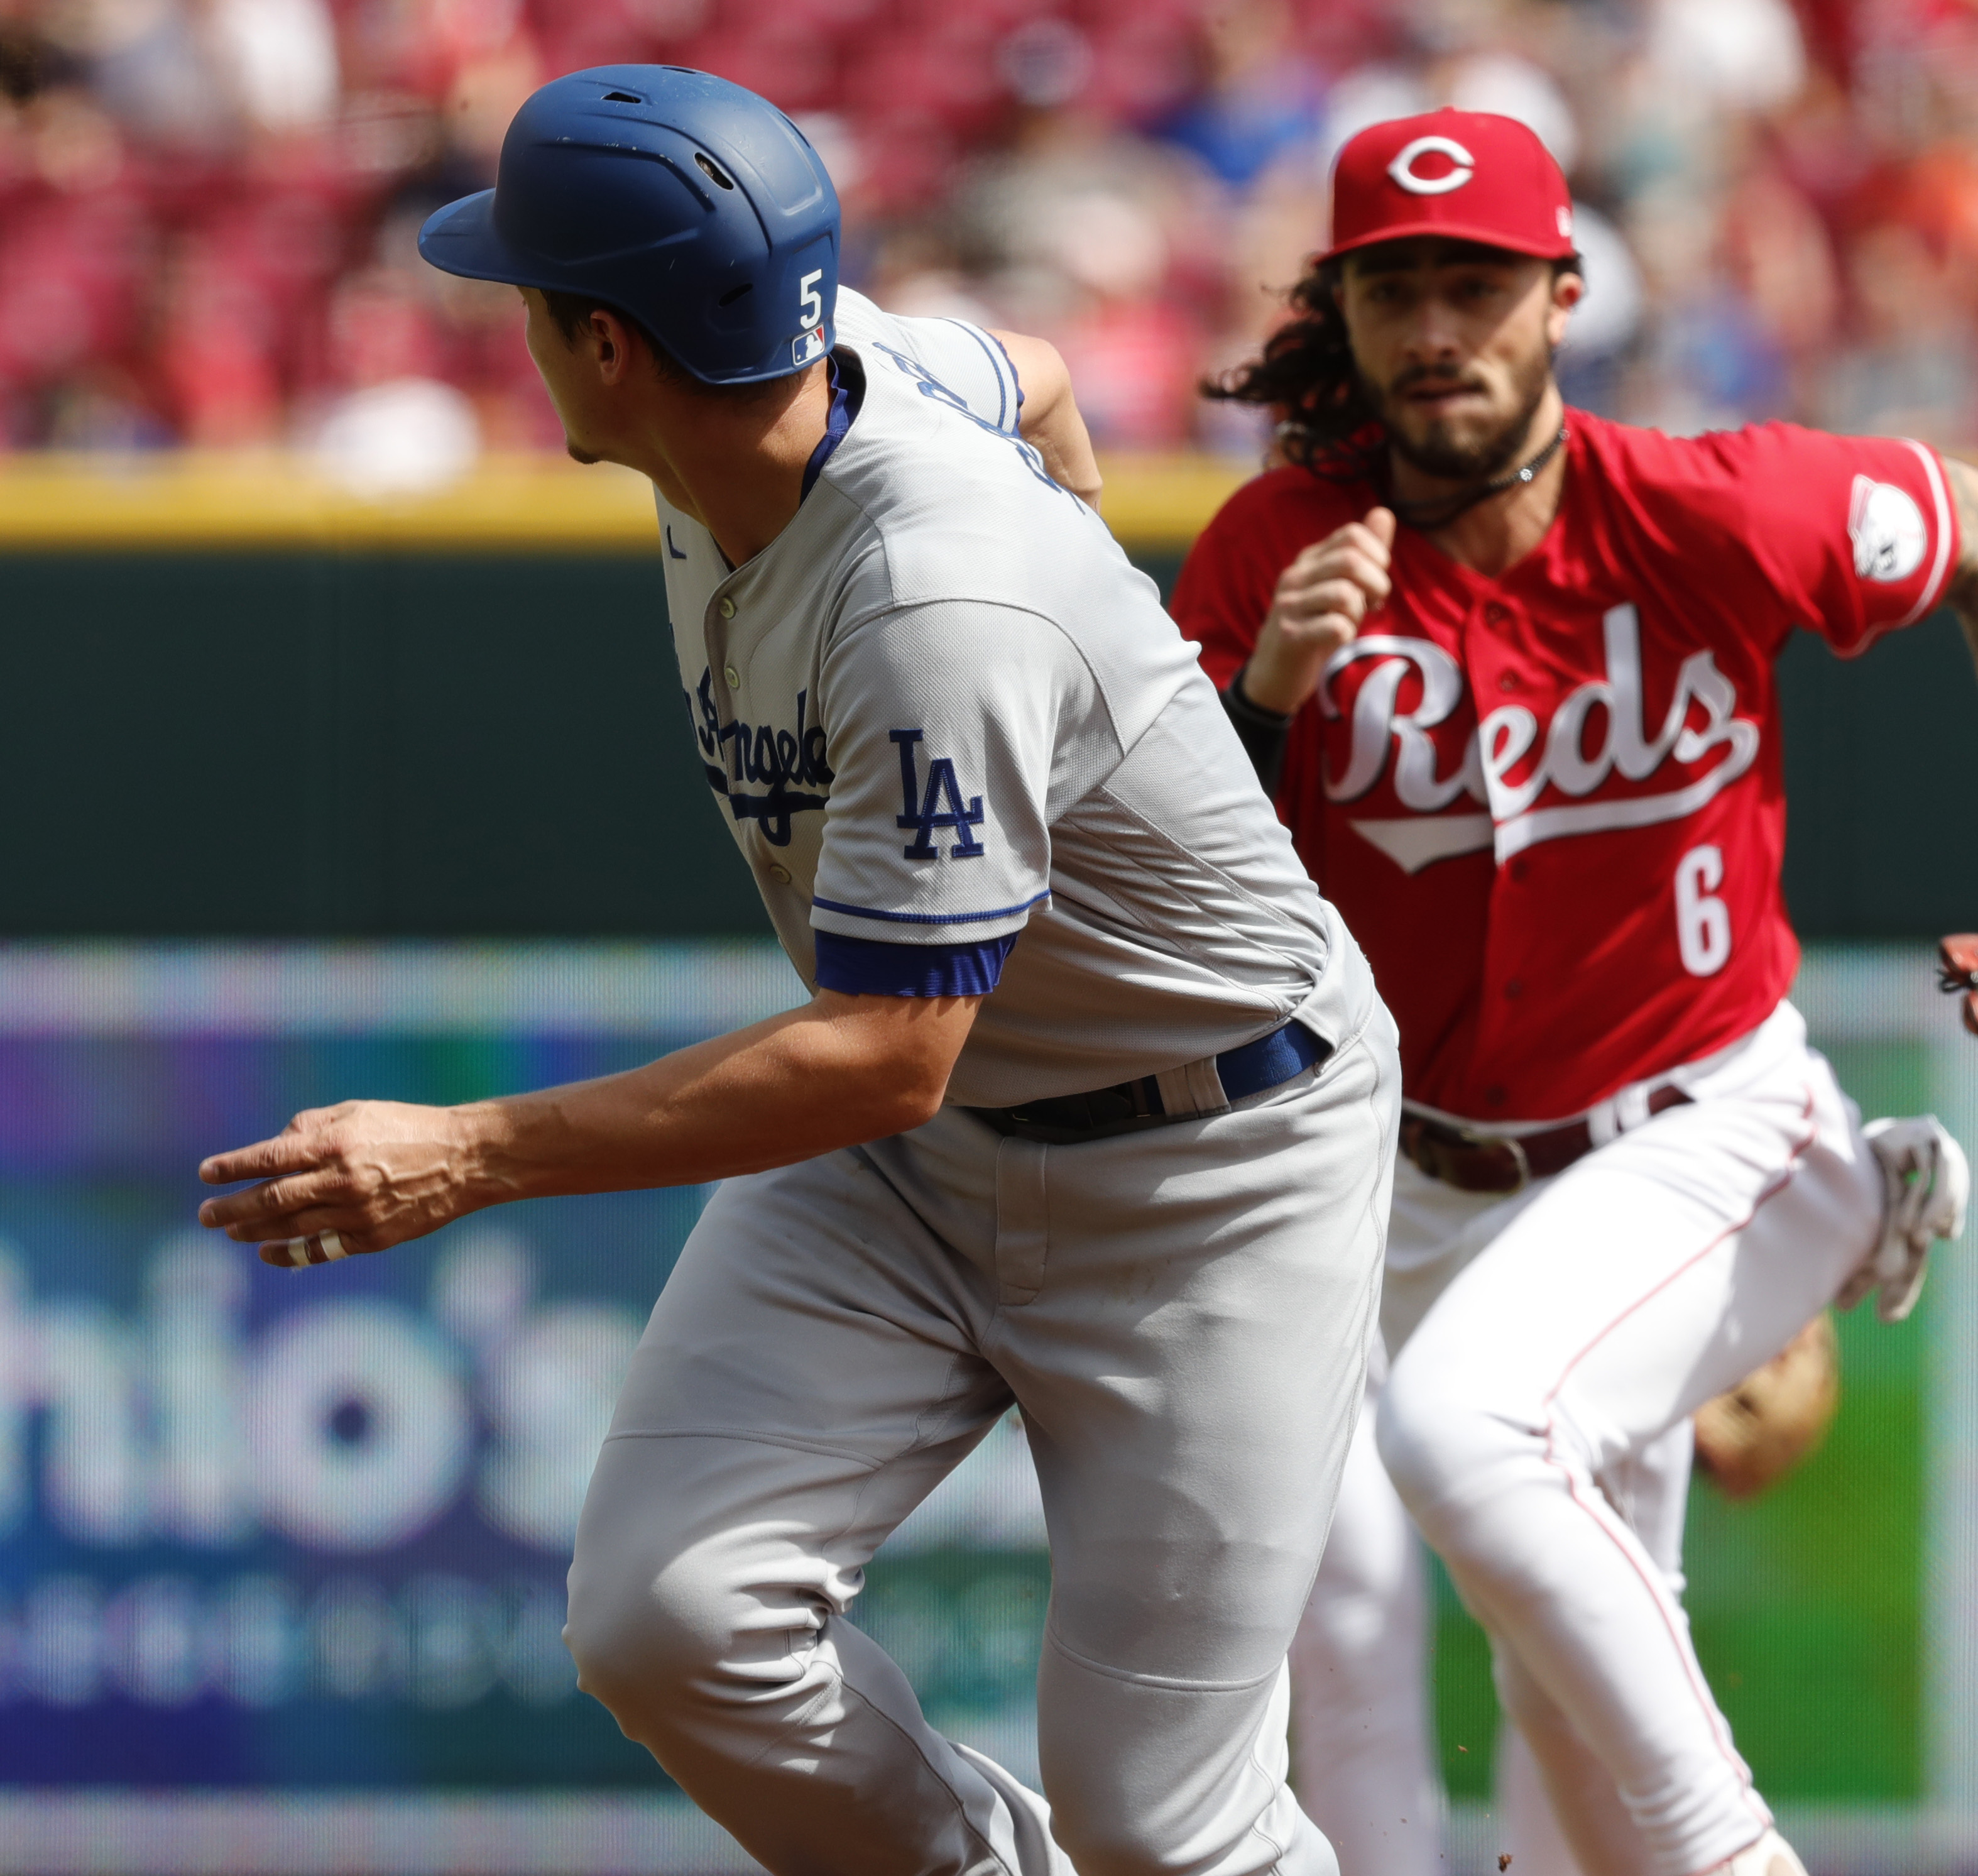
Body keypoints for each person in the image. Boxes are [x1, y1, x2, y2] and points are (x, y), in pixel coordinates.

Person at [197, 67, 1401, 1876]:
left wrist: (469, 1150)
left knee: (1167, 1824)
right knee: (670, 1620)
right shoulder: (843, 364)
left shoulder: (933, 593)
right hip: (933, 1159)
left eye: (524, 298)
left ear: (604, 344)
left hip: (1211, 1166)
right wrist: (1094, 617)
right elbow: (1047, 375)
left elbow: (883, 1051)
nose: (510, 329)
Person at [1172, 109, 1978, 1876]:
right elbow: (1158, 886)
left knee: (1465, 1437)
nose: (1436, 330)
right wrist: (1261, 699)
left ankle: (1741, 1853)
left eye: (1477, 286)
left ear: (1564, 296)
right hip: (1398, 1181)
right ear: (1339, 313)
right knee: (1429, 1664)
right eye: (1396, 287)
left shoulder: (1709, 509)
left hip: (1694, 1123)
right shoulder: (1276, 553)